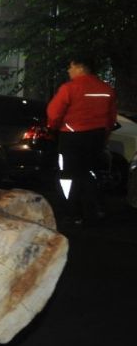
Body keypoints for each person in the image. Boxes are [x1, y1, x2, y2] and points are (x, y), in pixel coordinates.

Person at [46, 56, 118, 226]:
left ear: (80, 67)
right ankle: (96, 209)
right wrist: (104, 135)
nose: (68, 70)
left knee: (67, 176)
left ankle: (72, 213)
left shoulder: (69, 88)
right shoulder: (107, 89)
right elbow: (111, 118)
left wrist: (54, 127)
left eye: (71, 67)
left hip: (72, 138)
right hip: (96, 138)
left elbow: (54, 113)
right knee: (91, 173)